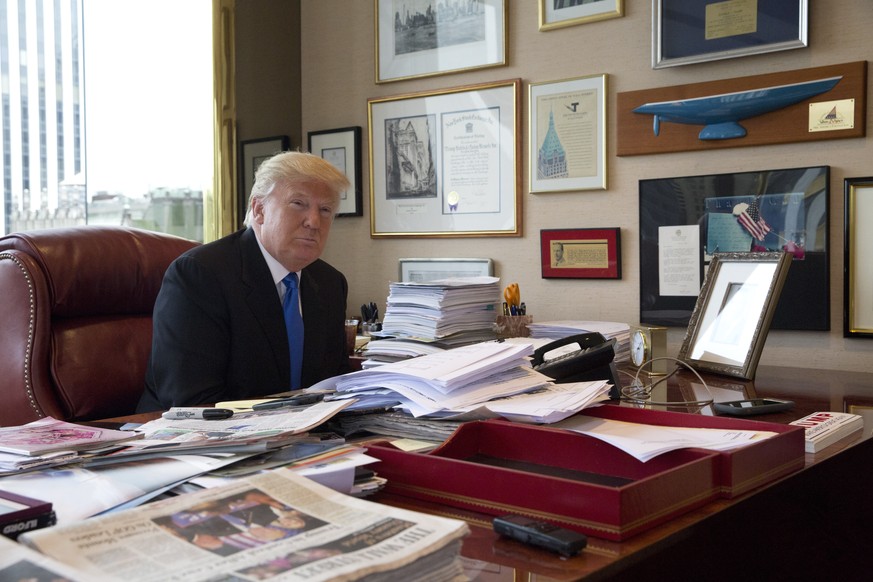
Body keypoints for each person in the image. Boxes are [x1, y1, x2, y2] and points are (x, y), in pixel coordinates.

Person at [137, 151, 351, 412]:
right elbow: (193, 402)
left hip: (304, 440)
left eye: (325, 209)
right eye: (298, 203)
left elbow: (335, 387)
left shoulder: (330, 283)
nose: (314, 221)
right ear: (259, 209)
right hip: (206, 443)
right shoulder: (200, 276)